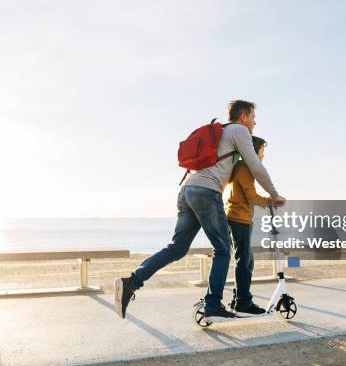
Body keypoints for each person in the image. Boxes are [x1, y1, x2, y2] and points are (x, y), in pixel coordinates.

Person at [114, 100, 286, 322]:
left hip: (188, 189)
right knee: (223, 249)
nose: (254, 122)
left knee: (177, 248)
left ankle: (131, 282)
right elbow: (256, 166)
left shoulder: (222, 132)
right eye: (253, 117)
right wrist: (274, 194)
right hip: (206, 191)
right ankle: (213, 305)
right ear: (243, 116)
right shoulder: (239, 130)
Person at [225, 136, 270, 317]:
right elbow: (250, 195)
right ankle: (243, 303)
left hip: (240, 219)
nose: (263, 156)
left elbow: (248, 194)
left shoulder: (242, 168)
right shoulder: (244, 168)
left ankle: (238, 300)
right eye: (262, 152)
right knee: (244, 261)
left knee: (246, 261)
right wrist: (269, 201)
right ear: (253, 151)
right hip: (239, 219)